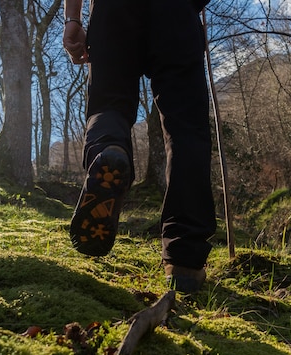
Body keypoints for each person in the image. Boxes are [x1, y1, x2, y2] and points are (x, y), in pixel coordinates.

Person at [63, 0, 216, 293]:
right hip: (176, 11)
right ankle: (184, 259)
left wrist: (73, 19)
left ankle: (108, 151)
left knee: (108, 103)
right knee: (185, 126)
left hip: (112, 9)